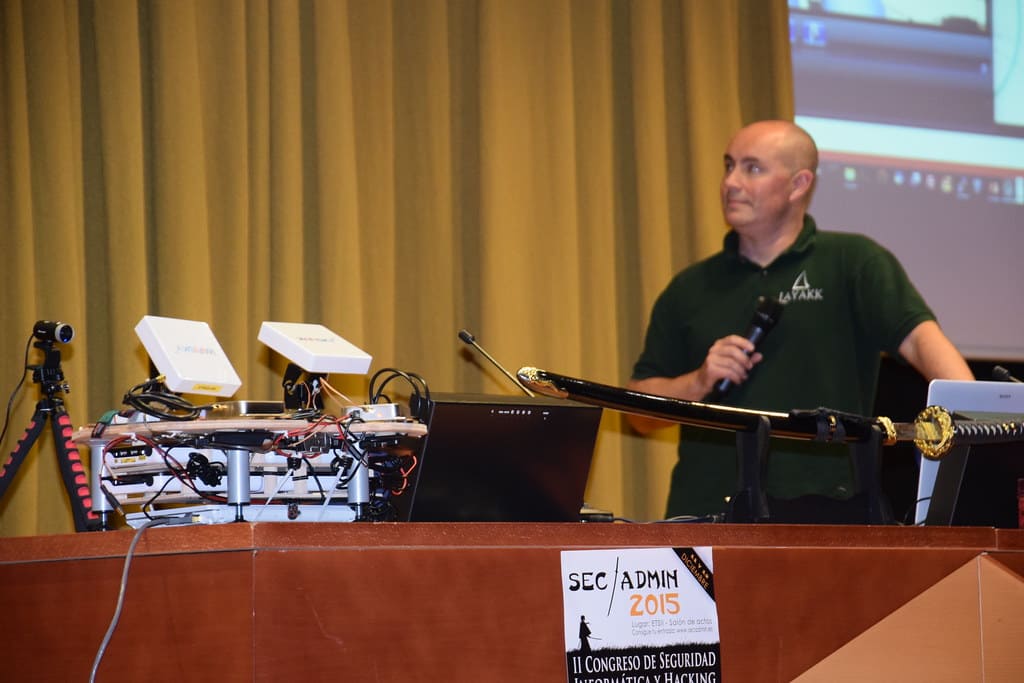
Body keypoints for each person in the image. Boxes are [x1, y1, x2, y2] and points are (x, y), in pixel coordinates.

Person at [627, 119, 974, 520]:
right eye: (728, 166)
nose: (731, 182)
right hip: (706, 517)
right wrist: (699, 380)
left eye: (752, 168)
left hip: (827, 515)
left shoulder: (852, 262)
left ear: (798, 184)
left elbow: (919, 341)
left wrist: (981, 421)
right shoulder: (689, 287)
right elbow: (638, 413)